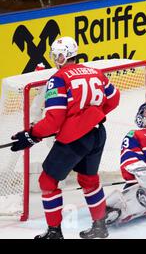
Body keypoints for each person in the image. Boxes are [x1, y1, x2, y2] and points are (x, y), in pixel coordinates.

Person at [10, 36, 121, 239]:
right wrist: (93, 115)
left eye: (56, 55)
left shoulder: (59, 78)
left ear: (64, 56)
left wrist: (31, 135)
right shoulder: (95, 72)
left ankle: (54, 233)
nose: (55, 59)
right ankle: (99, 227)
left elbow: (54, 120)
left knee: (47, 181)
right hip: (98, 133)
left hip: (76, 138)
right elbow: (114, 98)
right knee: (89, 179)